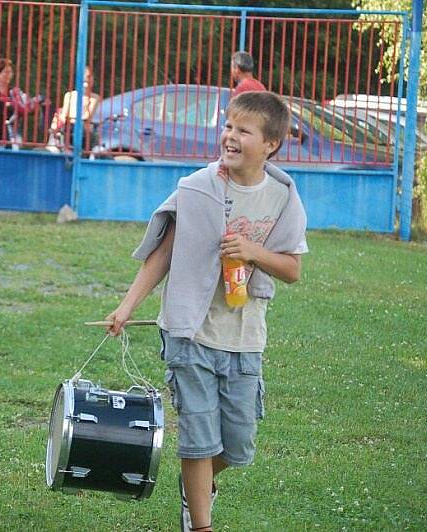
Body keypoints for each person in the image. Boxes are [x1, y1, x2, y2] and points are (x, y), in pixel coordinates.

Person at [105, 91, 308, 532]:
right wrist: (126, 306)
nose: (230, 137)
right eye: (229, 127)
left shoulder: (283, 197)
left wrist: (253, 252)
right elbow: (162, 254)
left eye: (243, 131)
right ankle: (200, 524)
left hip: (244, 336)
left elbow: (292, 268)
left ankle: (196, 485)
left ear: (271, 144)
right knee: (198, 439)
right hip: (188, 332)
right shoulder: (196, 188)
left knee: (236, 447)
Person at [48, 66, 101, 152]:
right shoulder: (69, 95)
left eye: (89, 77)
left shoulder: (94, 98)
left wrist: (73, 116)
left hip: (84, 130)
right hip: (69, 128)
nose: (88, 80)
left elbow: (87, 116)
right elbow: (64, 115)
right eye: (86, 77)